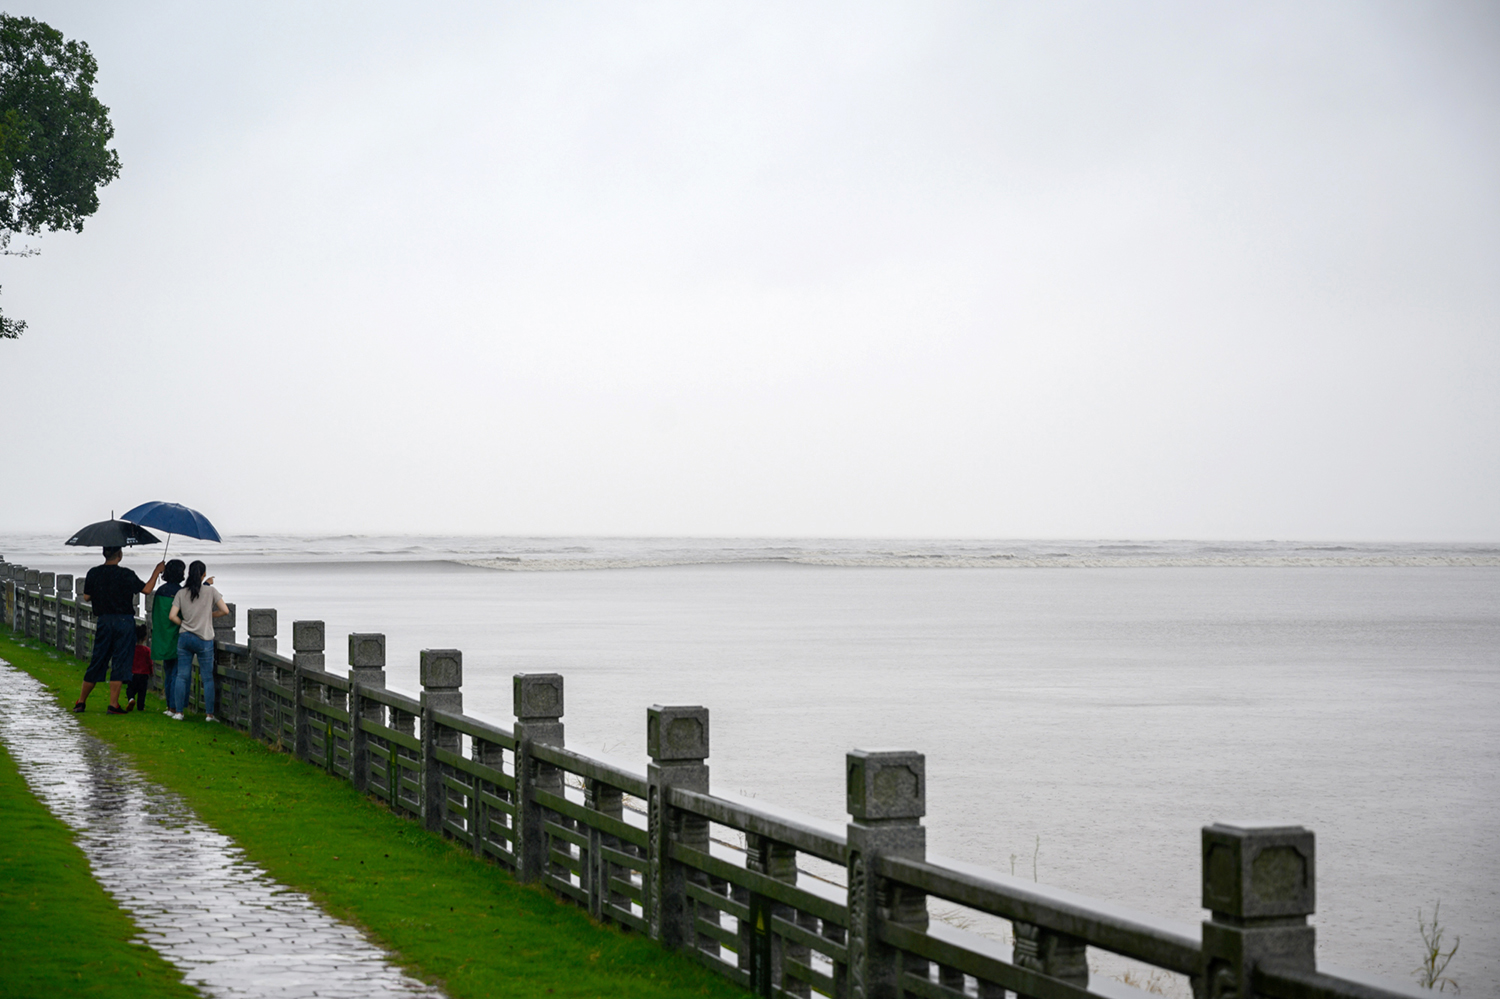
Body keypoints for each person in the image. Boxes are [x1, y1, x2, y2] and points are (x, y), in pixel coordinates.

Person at [76, 547, 164, 714]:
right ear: (120, 555)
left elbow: (87, 596)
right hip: (124, 621)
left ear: (104, 554)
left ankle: (81, 702)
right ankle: (113, 704)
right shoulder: (126, 574)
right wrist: (156, 571)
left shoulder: (94, 572)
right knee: (120, 661)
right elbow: (146, 589)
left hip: (104, 620)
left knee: (98, 660)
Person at [168, 560, 228, 722]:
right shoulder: (211, 591)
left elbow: (172, 616)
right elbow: (225, 610)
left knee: (182, 676)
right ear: (203, 575)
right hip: (204, 638)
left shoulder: (181, 593)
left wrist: (185, 624)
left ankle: (179, 712)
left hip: (185, 637)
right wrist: (210, 616)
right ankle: (209, 714)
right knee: (207, 677)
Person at [149, 559, 185, 717]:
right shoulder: (181, 593)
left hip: (162, 637)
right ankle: (176, 707)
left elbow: (155, 616)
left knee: (168, 672)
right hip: (177, 637)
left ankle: (170, 707)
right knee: (177, 673)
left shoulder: (160, 592)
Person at [125, 622, 152, 712]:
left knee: (130, 689)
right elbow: (149, 662)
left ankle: (131, 699)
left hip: (133, 674)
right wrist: (151, 672)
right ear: (145, 638)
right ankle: (140, 707)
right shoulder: (147, 650)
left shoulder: (131, 649)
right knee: (142, 692)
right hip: (144, 674)